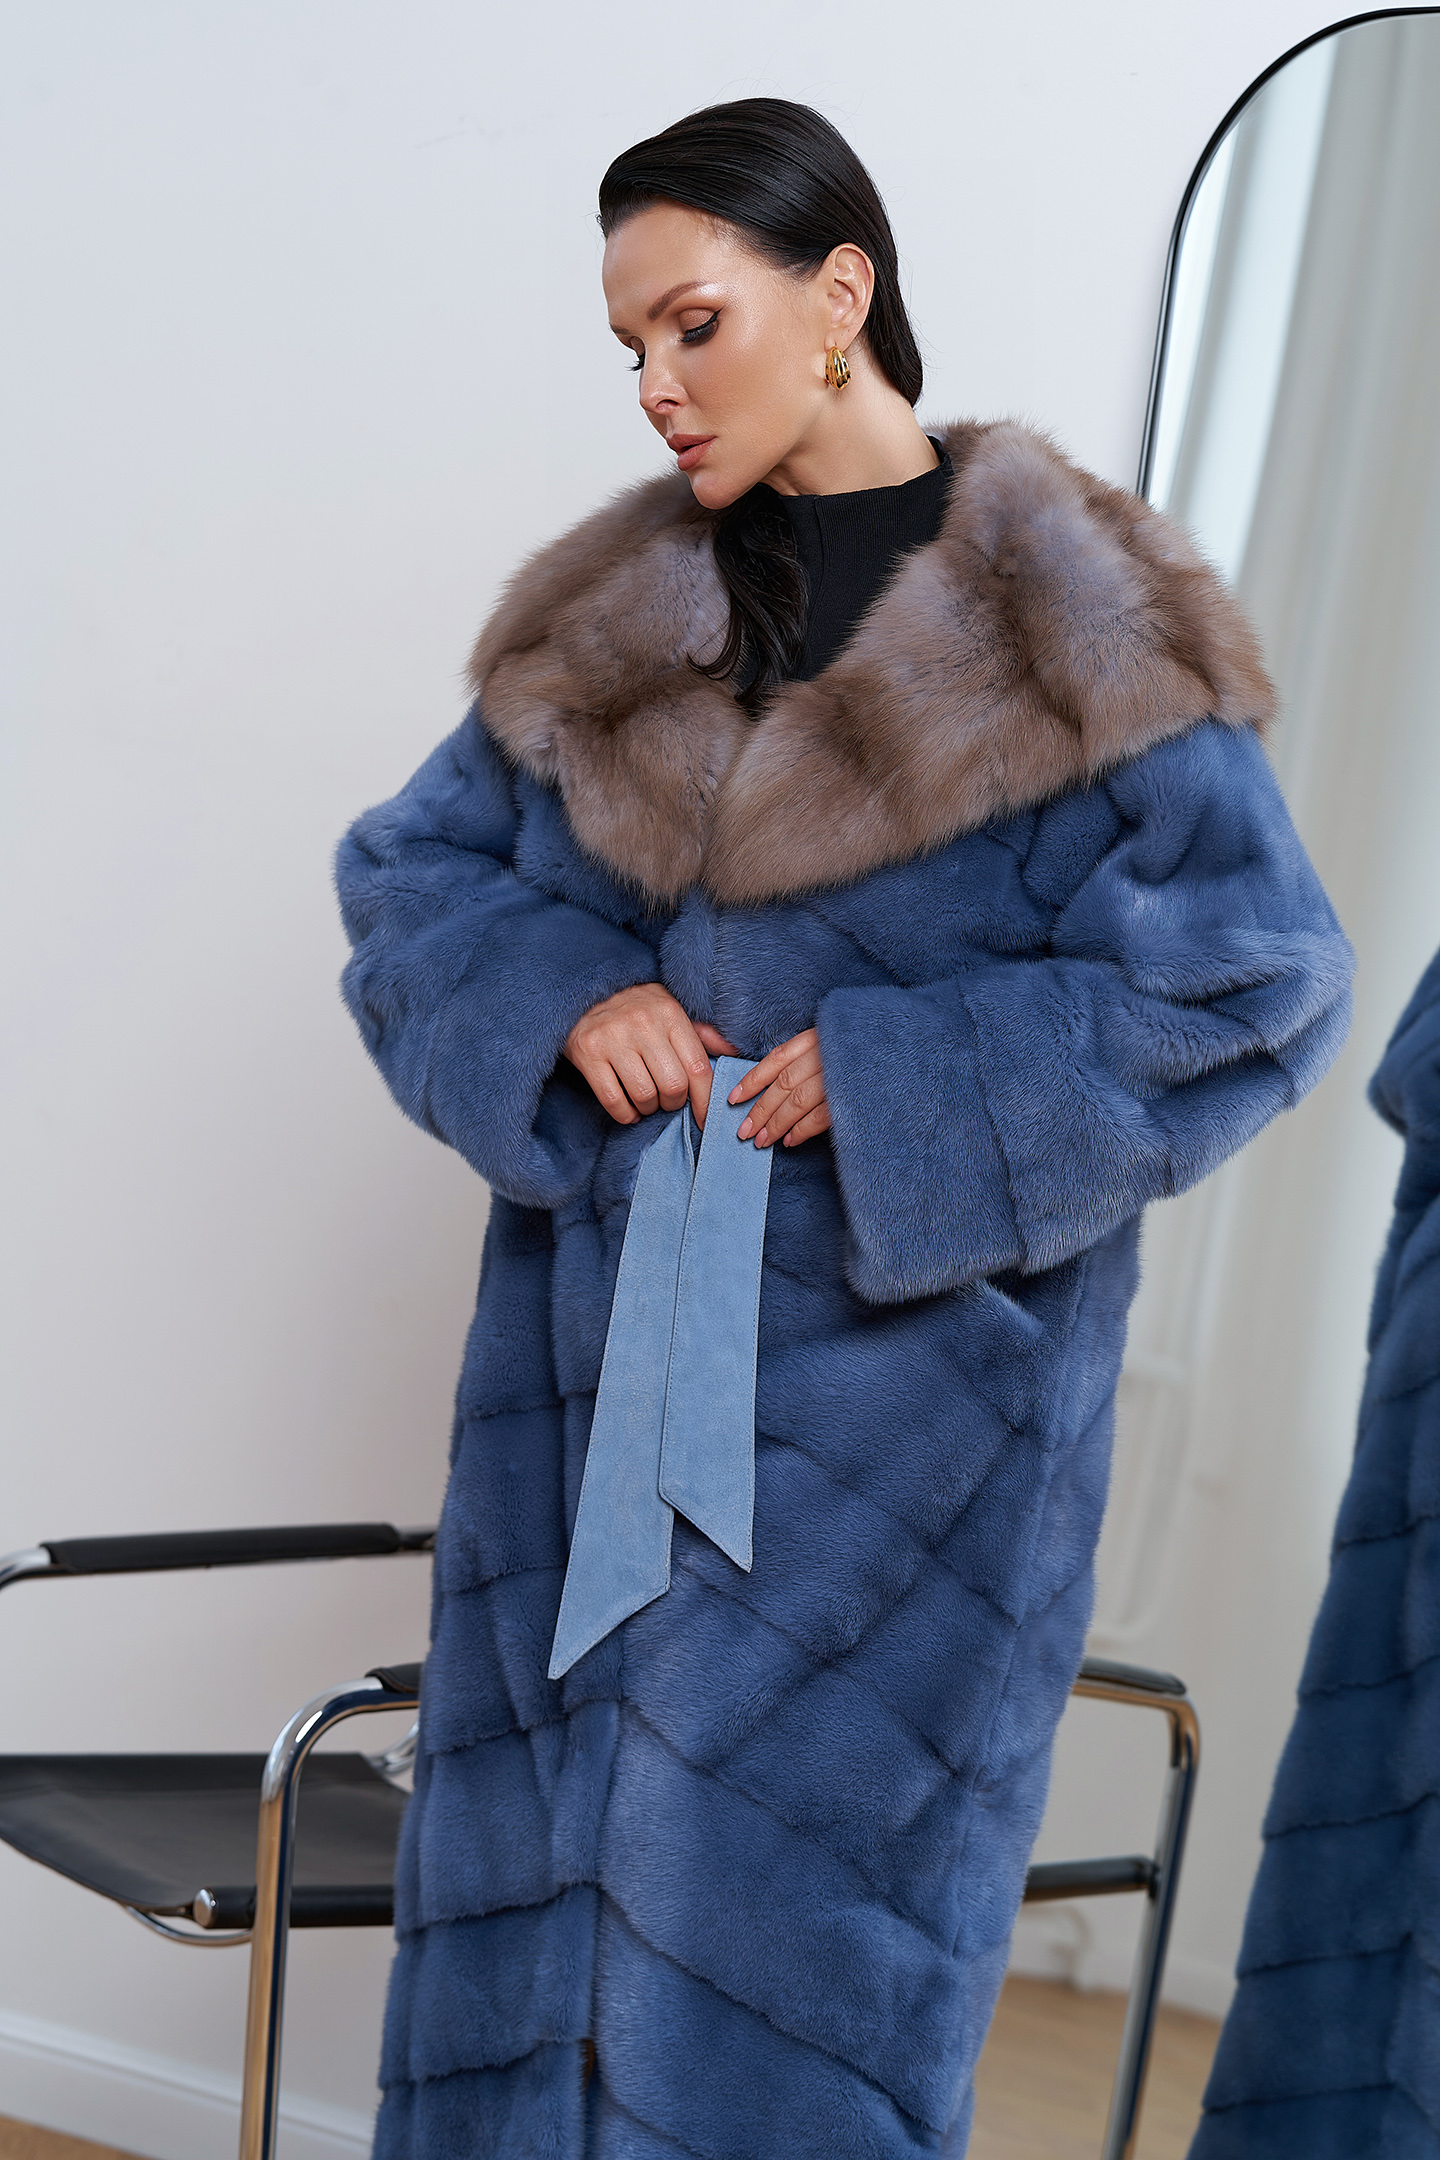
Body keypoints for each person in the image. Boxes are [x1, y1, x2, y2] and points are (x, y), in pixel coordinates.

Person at [337, 96, 1351, 2160]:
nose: (656, 383)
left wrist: (909, 1076)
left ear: (840, 296)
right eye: (629, 345)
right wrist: (568, 995)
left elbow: (1253, 975)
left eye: (692, 323)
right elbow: (411, 882)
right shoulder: (608, 632)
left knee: (796, 2009)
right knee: (533, 1971)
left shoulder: (1084, 632)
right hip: (580, 1417)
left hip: (906, 1469)